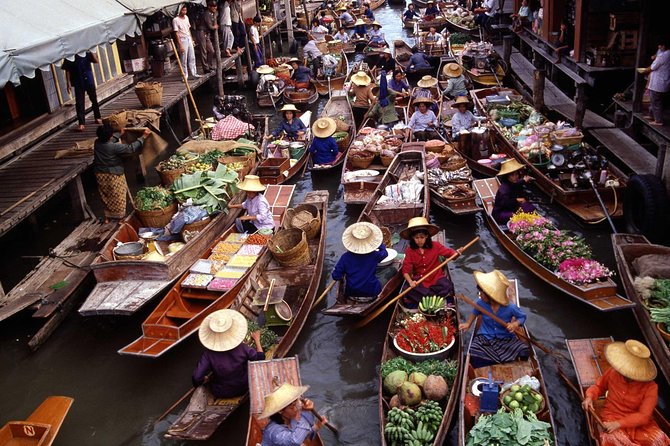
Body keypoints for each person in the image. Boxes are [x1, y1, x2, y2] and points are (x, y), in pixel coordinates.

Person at [582, 340, 670, 446]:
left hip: (638, 423)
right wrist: (589, 397)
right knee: (610, 439)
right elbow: (598, 386)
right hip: (612, 416)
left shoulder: (651, 387)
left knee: (659, 440)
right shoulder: (613, 372)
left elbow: (644, 416)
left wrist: (619, 424)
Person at [458, 270, 530, 368]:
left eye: (482, 293)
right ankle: (497, 360)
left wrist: (515, 324)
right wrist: (468, 324)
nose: (480, 295)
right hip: (485, 337)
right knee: (474, 351)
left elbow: (522, 316)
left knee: (523, 350)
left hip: (505, 338)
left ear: (491, 296)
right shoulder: (480, 303)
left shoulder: (510, 307)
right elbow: (475, 312)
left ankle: (493, 360)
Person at [192, 309, 264, 399]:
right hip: (244, 387)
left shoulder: (208, 354)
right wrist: (257, 339)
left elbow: (196, 378)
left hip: (221, 392)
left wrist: (204, 379)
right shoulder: (243, 348)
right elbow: (260, 359)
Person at [93, 123, 150, 222]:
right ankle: (121, 218)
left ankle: (108, 217)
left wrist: (119, 134)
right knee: (118, 195)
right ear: (110, 136)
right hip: (112, 175)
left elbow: (109, 140)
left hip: (100, 174)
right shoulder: (114, 147)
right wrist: (143, 137)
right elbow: (130, 148)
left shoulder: (97, 143)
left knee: (106, 195)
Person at [400, 217, 458, 308]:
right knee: (407, 290)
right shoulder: (410, 251)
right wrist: (411, 281)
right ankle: (434, 299)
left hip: (436, 277)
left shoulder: (436, 246)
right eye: (416, 238)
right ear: (412, 238)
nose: (419, 240)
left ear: (427, 236)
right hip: (420, 279)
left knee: (447, 286)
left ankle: (427, 299)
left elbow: (451, 254)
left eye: (422, 237)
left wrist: (457, 253)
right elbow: (406, 270)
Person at [258, 383, 326, 446]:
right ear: (280, 411)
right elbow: (295, 440)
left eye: (296, 404)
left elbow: (302, 434)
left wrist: (316, 426)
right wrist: (300, 415)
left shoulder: (291, 419)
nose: (296, 409)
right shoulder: (274, 431)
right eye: (292, 407)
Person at [332, 222, 387, 299]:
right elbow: (385, 253)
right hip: (372, 293)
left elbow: (336, 276)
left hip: (352, 293)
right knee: (390, 271)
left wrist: (342, 272)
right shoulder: (374, 255)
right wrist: (380, 244)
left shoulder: (345, 257)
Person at [62, 52, 102, 131]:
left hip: (89, 79)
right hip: (78, 81)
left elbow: (96, 61)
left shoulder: (86, 51)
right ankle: (81, 123)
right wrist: (68, 83)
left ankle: (97, 117)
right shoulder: (70, 54)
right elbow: (67, 70)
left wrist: (92, 51)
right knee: (79, 102)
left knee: (94, 99)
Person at [491, 159, 536, 225]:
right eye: (513, 175)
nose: (516, 177)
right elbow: (510, 205)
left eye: (516, 174)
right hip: (502, 212)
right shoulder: (504, 191)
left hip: (512, 205)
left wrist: (523, 180)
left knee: (530, 208)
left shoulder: (511, 182)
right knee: (517, 217)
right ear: (507, 177)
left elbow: (517, 183)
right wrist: (518, 201)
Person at [645, 38, 670, 126]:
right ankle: (652, 115)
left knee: (656, 102)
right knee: (654, 100)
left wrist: (644, 70)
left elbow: (653, 67)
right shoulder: (667, 54)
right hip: (664, 80)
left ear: (665, 46)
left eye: (661, 45)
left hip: (658, 82)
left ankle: (658, 120)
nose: (659, 47)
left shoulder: (662, 56)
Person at [172, 5, 201, 80]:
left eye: (185, 10)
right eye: (183, 10)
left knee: (192, 57)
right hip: (182, 39)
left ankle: (194, 73)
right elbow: (176, 33)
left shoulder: (186, 17)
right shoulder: (176, 20)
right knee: (184, 58)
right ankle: (184, 75)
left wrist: (192, 40)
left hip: (188, 37)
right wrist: (180, 45)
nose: (184, 12)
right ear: (179, 11)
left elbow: (189, 30)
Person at [197, 1, 218, 73]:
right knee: (204, 51)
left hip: (207, 34)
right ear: (209, 7)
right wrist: (214, 27)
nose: (215, 7)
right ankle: (205, 68)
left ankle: (210, 65)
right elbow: (210, 26)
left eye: (215, 6)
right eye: (213, 6)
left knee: (211, 50)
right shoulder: (207, 14)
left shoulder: (212, 14)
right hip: (201, 32)